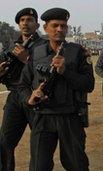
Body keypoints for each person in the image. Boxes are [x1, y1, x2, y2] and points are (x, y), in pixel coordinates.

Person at [20, 8, 94, 170]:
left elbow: (89, 84)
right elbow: (23, 84)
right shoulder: (36, 52)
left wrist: (65, 71)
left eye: (63, 26)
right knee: (39, 166)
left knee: (76, 164)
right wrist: (30, 97)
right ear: (46, 28)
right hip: (42, 118)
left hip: (70, 117)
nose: (59, 29)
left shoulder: (78, 53)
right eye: (55, 25)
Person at [0, 7, 45, 171]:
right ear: (19, 24)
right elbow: (6, 76)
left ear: (37, 24)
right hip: (15, 98)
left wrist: (27, 59)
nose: (25, 23)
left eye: (29, 20)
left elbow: (47, 73)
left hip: (35, 98)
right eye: (22, 20)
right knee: (4, 141)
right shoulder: (12, 47)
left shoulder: (45, 46)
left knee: (39, 143)